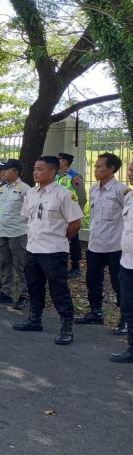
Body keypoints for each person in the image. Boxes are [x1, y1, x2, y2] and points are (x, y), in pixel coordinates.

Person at [13, 155, 84, 344]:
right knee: (34, 286)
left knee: (58, 289)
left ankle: (66, 326)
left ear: (52, 172)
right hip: (33, 248)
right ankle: (34, 319)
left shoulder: (64, 194)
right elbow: (29, 218)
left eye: (40, 169)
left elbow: (75, 224)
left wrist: (60, 238)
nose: (35, 172)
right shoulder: (31, 193)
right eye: (34, 169)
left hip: (53, 251)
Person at [76, 152, 126, 326]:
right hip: (95, 245)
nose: (95, 169)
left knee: (119, 284)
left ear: (111, 169)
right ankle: (95, 312)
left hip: (115, 247)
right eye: (95, 166)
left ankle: (126, 320)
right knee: (92, 281)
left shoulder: (121, 190)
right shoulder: (94, 189)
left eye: (99, 166)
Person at [0, 159, 30, 310]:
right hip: (3, 231)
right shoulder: (2, 188)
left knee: (21, 265)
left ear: (16, 172)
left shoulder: (25, 189)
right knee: (5, 263)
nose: (3, 172)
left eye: (6, 169)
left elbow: (30, 212)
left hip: (18, 232)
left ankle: (25, 295)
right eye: (2, 170)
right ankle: (6, 292)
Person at [110, 161, 133, 362]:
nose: (130, 173)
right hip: (127, 261)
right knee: (128, 305)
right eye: (130, 169)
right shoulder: (129, 196)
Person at [56, 152, 87, 278]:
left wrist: (77, 213)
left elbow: (82, 197)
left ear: (64, 162)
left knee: (73, 240)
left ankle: (75, 267)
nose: (56, 161)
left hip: (70, 214)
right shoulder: (56, 175)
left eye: (58, 159)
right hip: (57, 214)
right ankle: (60, 265)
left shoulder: (74, 176)